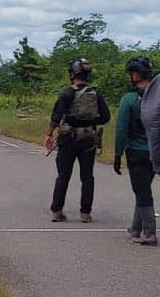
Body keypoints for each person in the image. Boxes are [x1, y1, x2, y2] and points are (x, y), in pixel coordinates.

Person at [44, 58, 111, 223]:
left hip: (68, 139)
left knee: (63, 176)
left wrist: (49, 134)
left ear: (72, 74)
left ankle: (57, 210)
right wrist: (90, 123)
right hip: (88, 139)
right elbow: (106, 117)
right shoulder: (95, 94)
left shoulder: (67, 93)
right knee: (87, 176)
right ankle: (85, 213)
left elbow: (56, 116)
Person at [114, 57, 157, 245]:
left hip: (136, 151)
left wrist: (117, 154)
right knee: (142, 188)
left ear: (136, 75)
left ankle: (150, 232)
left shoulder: (129, 99)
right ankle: (135, 228)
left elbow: (122, 129)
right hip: (156, 151)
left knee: (142, 191)